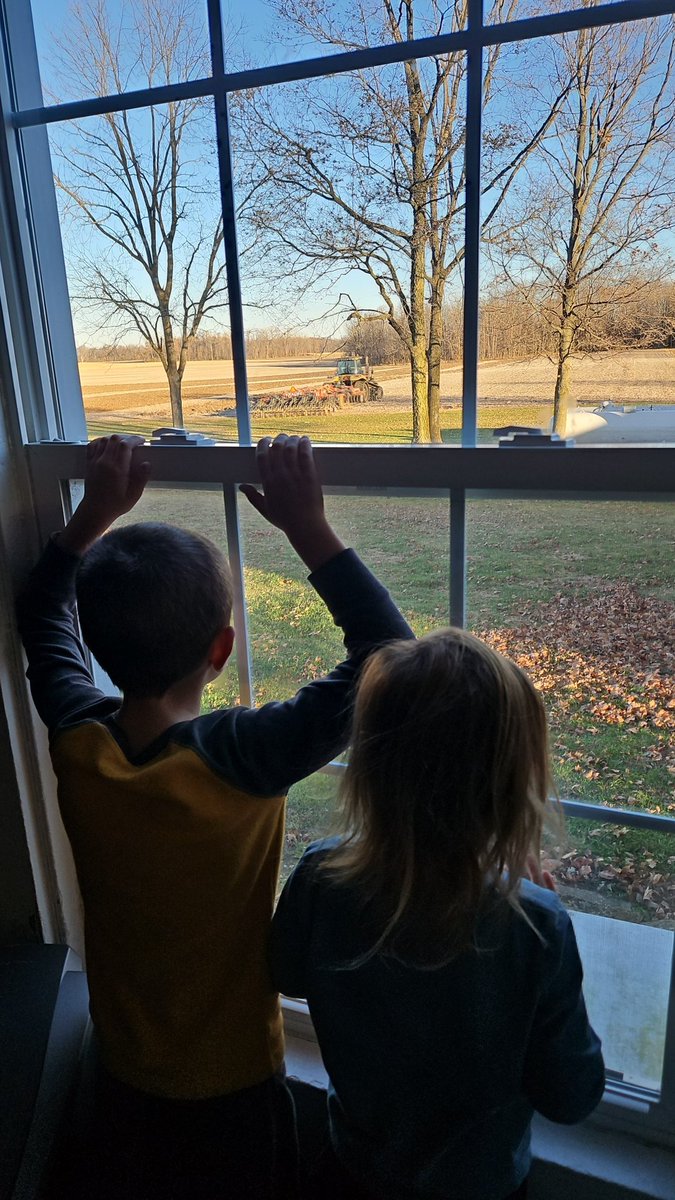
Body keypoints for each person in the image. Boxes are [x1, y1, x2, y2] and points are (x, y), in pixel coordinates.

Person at [16, 431, 413, 1200]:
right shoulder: (243, 754)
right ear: (223, 649)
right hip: (232, 1086)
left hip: (121, 1072)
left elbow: (41, 613)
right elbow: (387, 652)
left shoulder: (76, 737)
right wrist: (308, 528)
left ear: (96, 645)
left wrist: (90, 517)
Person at [271, 629, 605, 1200]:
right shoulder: (536, 925)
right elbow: (571, 1096)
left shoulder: (322, 876)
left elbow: (285, 974)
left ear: (373, 768)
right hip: (483, 1187)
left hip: (348, 1174)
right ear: (510, 785)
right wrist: (527, 906)